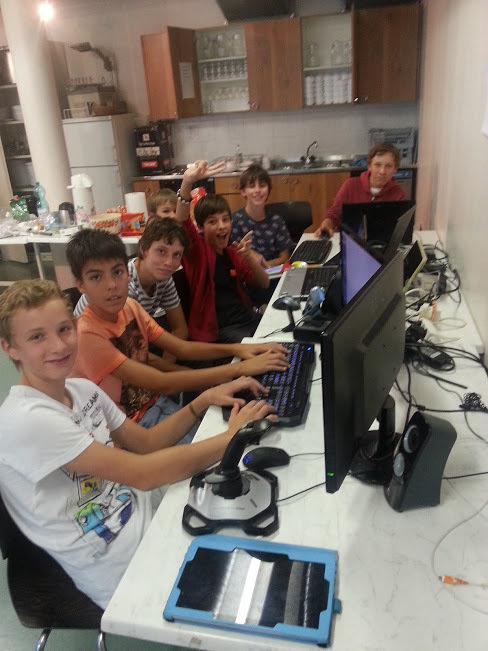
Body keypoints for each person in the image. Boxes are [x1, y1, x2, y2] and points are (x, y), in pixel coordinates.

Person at [0, 278, 277, 609]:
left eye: (64, 329)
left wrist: (201, 401)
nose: (58, 345)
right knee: (254, 590)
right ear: (9, 348)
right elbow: (143, 473)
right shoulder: (27, 419)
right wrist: (231, 438)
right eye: (37, 337)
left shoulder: (81, 390)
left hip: (146, 509)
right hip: (120, 564)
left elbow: (146, 443)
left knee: (263, 513)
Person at [66, 225, 289, 427]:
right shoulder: (88, 332)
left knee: (242, 423)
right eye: (96, 277)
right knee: (233, 438)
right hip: (128, 425)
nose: (112, 285)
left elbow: (180, 347)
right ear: (80, 285)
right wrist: (239, 369)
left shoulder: (129, 306)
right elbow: (161, 381)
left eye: (117, 272)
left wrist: (240, 349)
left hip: (152, 402)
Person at [176, 163, 274, 343]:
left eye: (225, 219)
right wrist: (187, 181)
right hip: (220, 330)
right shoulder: (197, 252)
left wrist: (248, 257)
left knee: (283, 332)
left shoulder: (232, 253)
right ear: (200, 228)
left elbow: (264, 282)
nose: (221, 226)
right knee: (267, 347)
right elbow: (182, 221)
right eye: (212, 222)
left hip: (246, 318)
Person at [74, 218, 189, 361]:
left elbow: (180, 329)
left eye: (176, 255)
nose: (169, 262)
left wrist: (170, 368)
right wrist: (172, 372)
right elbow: (131, 353)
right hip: (89, 353)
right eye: (161, 251)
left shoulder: (164, 278)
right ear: (143, 249)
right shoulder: (123, 286)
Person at [314, 142, 406, 237]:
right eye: (377, 165)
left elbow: (400, 227)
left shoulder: (398, 193)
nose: (382, 171)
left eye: (388, 166)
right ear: (369, 166)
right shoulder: (350, 185)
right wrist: (326, 224)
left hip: (382, 241)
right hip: (350, 239)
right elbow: (334, 213)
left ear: (395, 169)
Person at [230, 163, 293, 268]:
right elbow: (231, 257)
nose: (257, 190)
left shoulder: (276, 221)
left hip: (272, 273)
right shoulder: (234, 221)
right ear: (243, 191)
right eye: (252, 186)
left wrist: (263, 266)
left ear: (269, 190)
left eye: (262, 185)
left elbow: (285, 257)